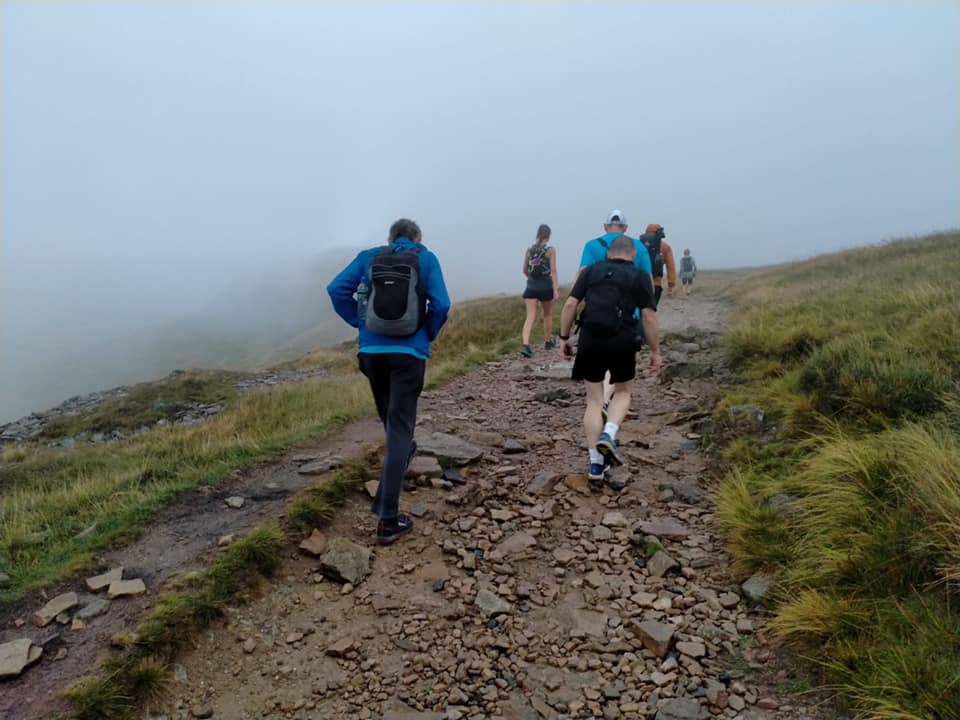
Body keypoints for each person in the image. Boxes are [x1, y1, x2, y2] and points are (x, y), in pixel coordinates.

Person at [327, 218, 450, 544]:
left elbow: (336, 288)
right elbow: (442, 304)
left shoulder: (369, 256)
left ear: (391, 237)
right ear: (417, 238)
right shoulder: (425, 258)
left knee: (389, 418)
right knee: (398, 426)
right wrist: (427, 335)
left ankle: (401, 453)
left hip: (371, 351)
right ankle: (387, 520)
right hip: (409, 353)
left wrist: (360, 321)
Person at [558, 235, 662, 486]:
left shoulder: (591, 271)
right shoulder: (638, 276)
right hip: (623, 339)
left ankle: (595, 464)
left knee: (594, 401)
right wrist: (655, 351)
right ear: (633, 254)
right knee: (623, 391)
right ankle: (610, 432)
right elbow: (648, 318)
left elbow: (571, 303)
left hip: (590, 339)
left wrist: (564, 337)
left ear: (609, 253)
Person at [520, 224, 559, 357]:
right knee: (547, 314)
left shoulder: (529, 250)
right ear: (548, 236)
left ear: (537, 234)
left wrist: (531, 279)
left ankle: (525, 345)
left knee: (530, 316)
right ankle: (548, 341)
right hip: (545, 286)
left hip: (531, 286)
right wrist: (555, 289)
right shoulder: (550, 250)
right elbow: (553, 270)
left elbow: (524, 270)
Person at [638, 224, 676, 307]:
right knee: (651, 311)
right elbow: (671, 267)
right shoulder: (665, 247)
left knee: (639, 311)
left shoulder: (638, 245)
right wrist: (671, 284)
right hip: (656, 284)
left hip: (640, 283)